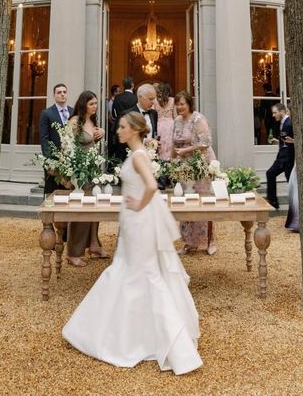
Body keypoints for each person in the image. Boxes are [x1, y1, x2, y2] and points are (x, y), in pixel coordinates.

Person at [62, 112, 202, 375]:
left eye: (123, 127)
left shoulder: (138, 156)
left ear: (136, 130)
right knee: (132, 273)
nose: (118, 131)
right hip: (133, 222)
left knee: (142, 274)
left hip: (139, 223)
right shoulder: (136, 154)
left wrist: (138, 204)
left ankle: (171, 344)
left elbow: (151, 186)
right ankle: (133, 333)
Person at [172, 91, 217, 255]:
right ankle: (188, 242)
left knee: (204, 202)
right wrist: (172, 161)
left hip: (201, 164)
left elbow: (205, 143)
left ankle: (209, 241)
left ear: (189, 104)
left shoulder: (199, 119)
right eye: (177, 104)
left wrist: (185, 150)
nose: (179, 107)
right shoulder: (177, 121)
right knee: (186, 202)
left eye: (182, 103)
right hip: (185, 166)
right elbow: (173, 142)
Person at [66, 91, 108, 267]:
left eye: (96, 104)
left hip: (94, 170)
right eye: (92, 104)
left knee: (95, 209)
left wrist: (102, 133)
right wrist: (70, 174)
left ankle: (93, 245)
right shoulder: (74, 122)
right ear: (83, 104)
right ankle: (73, 252)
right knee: (81, 210)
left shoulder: (93, 122)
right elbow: (67, 147)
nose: (95, 107)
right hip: (80, 173)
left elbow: (92, 144)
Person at [39, 83, 74, 196]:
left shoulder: (73, 112)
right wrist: (49, 162)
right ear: (54, 95)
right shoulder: (47, 113)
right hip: (54, 161)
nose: (62, 94)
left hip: (71, 161)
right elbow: (44, 139)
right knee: (52, 194)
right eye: (59, 92)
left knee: (69, 192)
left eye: (64, 92)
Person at [265, 103, 294, 209]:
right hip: (283, 157)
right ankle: (273, 200)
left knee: (290, 181)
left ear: (282, 112)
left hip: (287, 158)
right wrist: (277, 141)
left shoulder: (288, 123)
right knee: (272, 174)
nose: (273, 115)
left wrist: (292, 142)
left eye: (275, 112)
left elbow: (291, 141)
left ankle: (273, 201)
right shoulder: (283, 123)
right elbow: (285, 141)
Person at [110, 77, 137, 161]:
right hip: (133, 128)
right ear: (132, 85)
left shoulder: (117, 97)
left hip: (120, 127)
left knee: (120, 153)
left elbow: (114, 114)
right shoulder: (135, 98)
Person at [154, 82, 175, 161]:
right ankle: (170, 160)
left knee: (160, 145)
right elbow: (175, 116)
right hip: (170, 125)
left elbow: (153, 115)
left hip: (159, 125)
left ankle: (160, 161)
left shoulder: (155, 101)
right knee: (170, 144)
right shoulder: (173, 100)